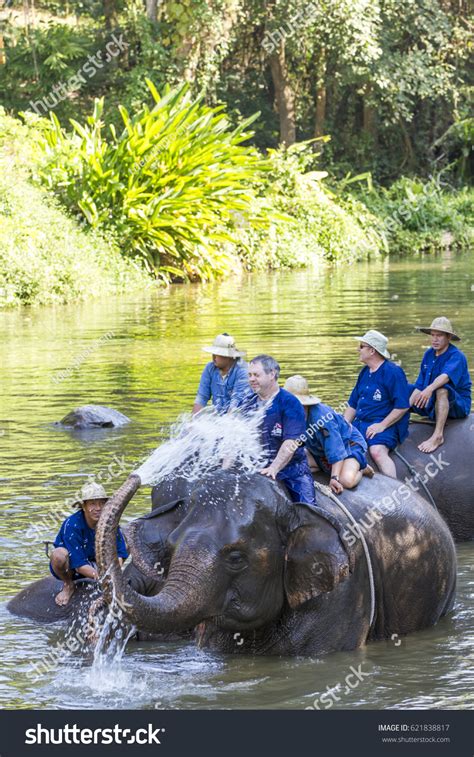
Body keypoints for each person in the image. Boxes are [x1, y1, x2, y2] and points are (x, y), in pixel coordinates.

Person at [243, 355, 316, 505]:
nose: (251, 379)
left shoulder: (290, 403)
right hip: (256, 468)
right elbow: (235, 438)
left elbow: (291, 442)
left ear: (272, 375)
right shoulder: (246, 403)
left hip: (291, 471)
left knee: (308, 510)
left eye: (256, 375)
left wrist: (274, 468)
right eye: (249, 375)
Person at [284, 375, 374, 495]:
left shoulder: (322, 418)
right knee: (294, 467)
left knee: (346, 481)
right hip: (319, 450)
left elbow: (336, 450)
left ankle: (362, 468)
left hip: (348, 446)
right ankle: (325, 466)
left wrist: (334, 478)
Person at [344, 330, 410, 478]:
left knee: (376, 451)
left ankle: (394, 488)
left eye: (361, 346)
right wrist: (344, 424)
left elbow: (402, 406)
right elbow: (353, 404)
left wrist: (382, 425)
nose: (358, 350)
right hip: (360, 424)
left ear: (372, 350)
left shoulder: (393, 372)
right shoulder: (364, 372)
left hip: (385, 425)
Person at [50, 482, 128, 607]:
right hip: (73, 567)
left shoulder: (109, 522)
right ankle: (68, 584)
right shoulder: (72, 524)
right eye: (92, 503)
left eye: (101, 503)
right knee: (58, 555)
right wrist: (103, 578)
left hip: (98, 562)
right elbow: (78, 564)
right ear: (84, 506)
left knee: (128, 541)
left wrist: (114, 572)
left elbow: (120, 551)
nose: (98, 508)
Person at [409, 316, 472, 453]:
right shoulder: (428, 354)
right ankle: (392, 426)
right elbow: (419, 384)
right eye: (432, 335)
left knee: (441, 389)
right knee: (404, 389)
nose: (434, 339)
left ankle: (438, 436)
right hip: (431, 402)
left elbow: (445, 377)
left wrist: (429, 388)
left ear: (448, 337)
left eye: (439, 336)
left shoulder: (457, 356)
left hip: (456, 405)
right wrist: (406, 404)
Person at [193, 333, 250, 414]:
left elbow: (236, 405)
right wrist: (192, 423)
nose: (214, 357)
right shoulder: (210, 368)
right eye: (214, 353)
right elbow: (201, 398)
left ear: (229, 356)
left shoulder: (242, 371)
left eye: (218, 354)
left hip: (240, 418)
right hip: (220, 417)